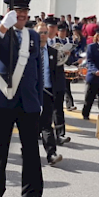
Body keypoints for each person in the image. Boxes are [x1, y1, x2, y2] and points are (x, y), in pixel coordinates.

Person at [0, 0, 51, 197]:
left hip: (27, 101)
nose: (22, 15)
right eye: (17, 12)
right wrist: (4, 26)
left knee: (31, 150)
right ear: (9, 12)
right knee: (0, 147)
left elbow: (38, 69)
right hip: (2, 98)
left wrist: (39, 101)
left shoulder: (31, 34)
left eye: (25, 12)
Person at [36, 22, 65, 165]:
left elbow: (57, 74)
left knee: (47, 124)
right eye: (40, 32)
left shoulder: (53, 52)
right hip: (32, 93)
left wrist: (57, 92)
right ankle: (27, 150)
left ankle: (51, 154)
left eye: (45, 32)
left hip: (47, 91)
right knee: (31, 124)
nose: (43, 35)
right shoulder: (29, 51)